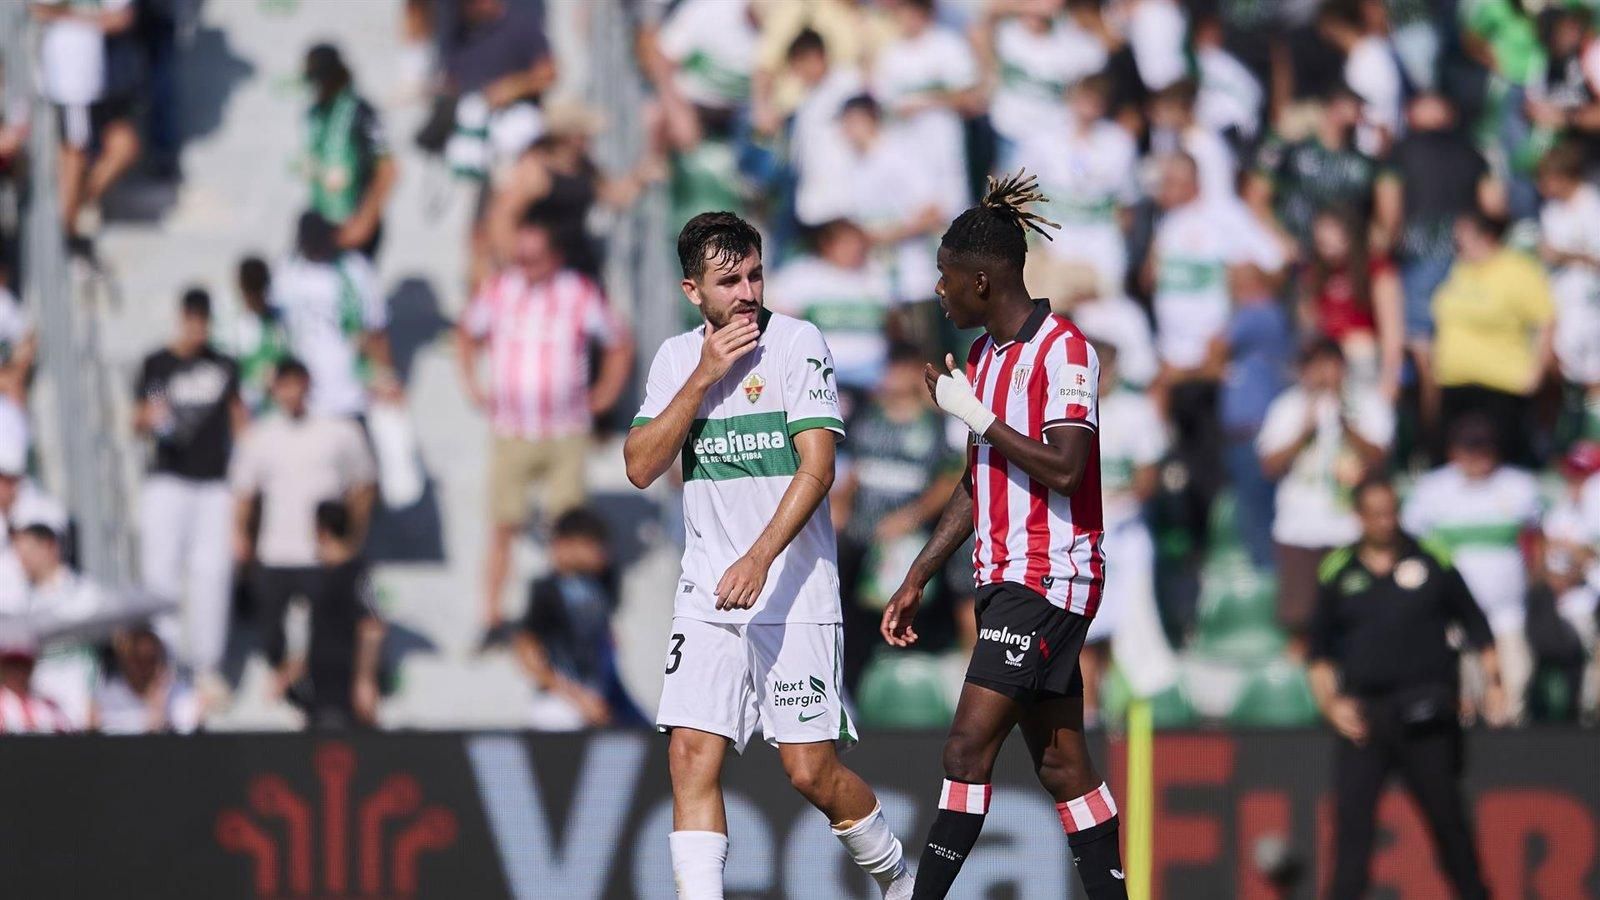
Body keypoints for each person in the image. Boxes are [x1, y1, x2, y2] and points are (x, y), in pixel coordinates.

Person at [624, 212, 915, 900]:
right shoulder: (675, 360)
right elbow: (639, 466)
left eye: (756, 274)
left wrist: (757, 560)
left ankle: (899, 879)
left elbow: (818, 471)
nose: (748, 292)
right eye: (730, 281)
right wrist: (701, 379)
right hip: (706, 594)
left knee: (810, 772)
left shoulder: (796, 342)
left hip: (794, 592)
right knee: (691, 755)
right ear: (693, 291)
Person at [879, 172, 1127, 899]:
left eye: (946, 279)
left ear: (982, 281)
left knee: (966, 748)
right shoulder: (985, 360)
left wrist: (976, 416)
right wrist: (920, 573)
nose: (939, 292)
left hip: (1049, 575)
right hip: (1004, 576)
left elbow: (1065, 465)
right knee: (1062, 768)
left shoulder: (1064, 351)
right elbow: (976, 482)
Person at [1309, 476, 1497, 900]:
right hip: (1365, 719)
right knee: (1351, 832)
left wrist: (1494, 684)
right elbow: (1317, 652)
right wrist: (1330, 704)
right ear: (1358, 517)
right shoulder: (1338, 570)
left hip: (1426, 713)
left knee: (1449, 826)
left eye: (1390, 511)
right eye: (1374, 514)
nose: (1384, 521)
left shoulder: (1431, 559)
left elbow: (1477, 625)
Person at [457, 218, 633, 644]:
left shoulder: (578, 293)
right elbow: (466, 332)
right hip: (513, 430)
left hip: (564, 431)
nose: (525, 265)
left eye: (533, 258)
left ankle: (577, 616)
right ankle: (493, 618)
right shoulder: (500, 289)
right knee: (503, 524)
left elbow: (619, 339)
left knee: (568, 528)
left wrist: (607, 393)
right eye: (520, 257)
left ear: (554, 257)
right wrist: (472, 384)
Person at [230, 361, 377, 684]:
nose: (291, 392)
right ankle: (286, 686)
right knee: (270, 632)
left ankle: (322, 689)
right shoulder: (261, 436)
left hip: (321, 555)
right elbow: (244, 493)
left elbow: (365, 485)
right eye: (284, 384)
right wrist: (240, 534)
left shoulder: (338, 431)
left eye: (297, 383)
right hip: (275, 552)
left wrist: (349, 535)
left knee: (328, 631)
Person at [134, 288, 245, 704]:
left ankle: (205, 667)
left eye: (204, 319)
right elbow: (137, 419)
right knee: (160, 572)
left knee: (212, 573)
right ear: (181, 318)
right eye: (191, 318)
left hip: (214, 482)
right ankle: (160, 663)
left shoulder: (224, 364)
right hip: (168, 477)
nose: (197, 327)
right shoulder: (156, 363)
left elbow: (239, 420)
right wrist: (150, 417)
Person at [829, 344, 964, 686]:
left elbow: (952, 479)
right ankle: (849, 688)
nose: (894, 375)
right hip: (864, 538)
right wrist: (841, 505)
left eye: (903, 367)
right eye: (892, 366)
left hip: (912, 542)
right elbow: (856, 471)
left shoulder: (934, 425)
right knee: (847, 605)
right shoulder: (866, 420)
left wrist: (912, 516)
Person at [1258, 338, 1394, 653]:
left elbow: (1379, 457)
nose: (1320, 373)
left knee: (1358, 613)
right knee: (1300, 620)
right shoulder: (1287, 406)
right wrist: (1304, 431)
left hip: (1349, 528)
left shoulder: (1368, 402)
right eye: (1312, 365)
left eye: (1327, 364)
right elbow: (1269, 465)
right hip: (1299, 528)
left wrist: (1345, 423)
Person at [1403, 415, 1542, 723]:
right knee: (1462, 696)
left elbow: (1537, 541)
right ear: (1454, 451)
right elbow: (1415, 549)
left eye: (1484, 448)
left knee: (1514, 683)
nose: (1478, 456)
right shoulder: (1432, 490)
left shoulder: (1520, 486)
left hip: (1507, 612)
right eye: (1470, 448)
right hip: (1453, 616)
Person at [1430, 210, 1554, 467]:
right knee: (1453, 462)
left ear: (1485, 237)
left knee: (1499, 461)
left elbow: (1546, 320)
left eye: (1462, 237)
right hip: (1455, 381)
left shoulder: (1517, 270)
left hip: (1501, 383)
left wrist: (1537, 370)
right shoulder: (1457, 270)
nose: (1457, 243)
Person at [1088, 340, 1167, 723]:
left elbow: (1148, 479)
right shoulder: (1062, 409)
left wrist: (1116, 500)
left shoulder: (1138, 412)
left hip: (1125, 535)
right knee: (1082, 630)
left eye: (1108, 363)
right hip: (1080, 533)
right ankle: (1088, 714)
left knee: (1132, 626)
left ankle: (1131, 713)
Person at [515, 506, 646, 731]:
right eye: (593, 544)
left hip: (600, 700)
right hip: (560, 704)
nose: (602, 553)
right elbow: (527, 653)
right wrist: (578, 698)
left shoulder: (600, 589)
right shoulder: (547, 592)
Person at [1013, 74, 1140, 306]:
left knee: (1103, 310)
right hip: (1054, 244)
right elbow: (1019, 194)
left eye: (1096, 100)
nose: (1088, 107)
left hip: (1100, 247)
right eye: (1085, 98)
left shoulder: (1120, 143)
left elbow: (1126, 207)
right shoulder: (1043, 139)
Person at [30, 0, 140, 252]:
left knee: (123, 146)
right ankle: (66, 231)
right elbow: (39, 7)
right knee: (74, 152)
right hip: (70, 82)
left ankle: (72, 214)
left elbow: (121, 17)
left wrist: (67, 15)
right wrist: (83, 17)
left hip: (99, 80)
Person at [272, 212, 398, 420]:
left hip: (349, 396)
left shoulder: (355, 270)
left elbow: (375, 331)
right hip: (301, 398)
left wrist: (386, 378)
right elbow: (273, 329)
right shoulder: (286, 271)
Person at [767, 218, 897, 406]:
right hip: (818, 372)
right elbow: (779, 327)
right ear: (827, 245)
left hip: (873, 374)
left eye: (858, 243)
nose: (854, 249)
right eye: (847, 243)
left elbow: (892, 327)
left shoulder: (877, 276)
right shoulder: (799, 275)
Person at [277, 501, 384, 729]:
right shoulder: (320, 575)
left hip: (344, 691)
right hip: (318, 689)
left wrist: (364, 680)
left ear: (322, 530)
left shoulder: (356, 575)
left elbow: (372, 628)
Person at [302, 44, 397, 260]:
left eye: (321, 80)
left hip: (354, 222)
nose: (317, 87)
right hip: (323, 220)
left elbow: (388, 169)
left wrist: (365, 220)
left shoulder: (362, 112)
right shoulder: (315, 114)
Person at [1300, 208, 1404, 400]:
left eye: (1333, 241)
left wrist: (1390, 380)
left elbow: (1392, 334)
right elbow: (1311, 328)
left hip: (1363, 361)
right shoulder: (1316, 275)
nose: (1328, 249)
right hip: (1328, 366)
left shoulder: (1377, 272)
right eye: (1322, 243)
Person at [1536, 141, 1600, 438]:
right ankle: (1560, 438)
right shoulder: (1551, 211)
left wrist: (1567, 255)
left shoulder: (1593, 206)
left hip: (1590, 305)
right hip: (1558, 301)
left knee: (1592, 376)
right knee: (1553, 370)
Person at [92, 626, 201, 734]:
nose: (143, 668)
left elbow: (189, 719)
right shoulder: (107, 694)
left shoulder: (178, 693)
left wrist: (159, 701)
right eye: (138, 659)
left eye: (151, 659)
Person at [227, 255, 287, 415]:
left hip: (274, 411)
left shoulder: (280, 321)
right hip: (242, 413)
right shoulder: (227, 324)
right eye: (250, 291)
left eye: (259, 291)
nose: (254, 298)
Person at [0, 634, 74, 734]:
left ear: (31, 668)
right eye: (11, 665)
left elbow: (69, 739)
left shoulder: (48, 706)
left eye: (22, 666)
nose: (17, 672)